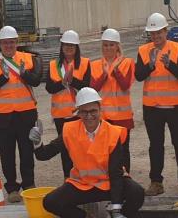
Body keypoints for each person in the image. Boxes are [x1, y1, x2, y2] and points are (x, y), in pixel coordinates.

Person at [30, 88, 145, 218]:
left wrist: (117, 210)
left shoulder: (113, 133)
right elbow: (44, 155)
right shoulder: (69, 130)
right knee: (50, 202)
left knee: (137, 193)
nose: (89, 116)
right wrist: (37, 143)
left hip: (109, 184)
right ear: (78, 112)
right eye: (84, 112)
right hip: (82, 184)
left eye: (93, 111)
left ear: (100, 110)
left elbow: (115, 173)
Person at [135, 12, 178, 196]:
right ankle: (156, 182)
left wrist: (169, 65)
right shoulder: (144, 51)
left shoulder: (177, 48)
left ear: (166, 31)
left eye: (159, 32)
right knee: (156, 145)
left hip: (175, 106)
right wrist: (150, 65)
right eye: (152, 33)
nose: (156, 36)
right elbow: (138, 76)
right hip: (152, 108)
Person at [0, 26, 42, 203]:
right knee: (7, 154)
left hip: (25, 115)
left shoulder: (28, 59)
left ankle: (29, 184)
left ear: (17, 43)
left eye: (11, 42)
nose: (8, 45)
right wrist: (3, 77)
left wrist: (24, 74)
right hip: (3, 118)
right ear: (0, 44)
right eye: (5, 42)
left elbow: (37, 81)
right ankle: (12, 188)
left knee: (26, 153)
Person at [45, 30, 92, 178]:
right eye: (66, 45)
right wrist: (63, 82)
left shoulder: (84, 63)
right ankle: (68, 177)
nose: (69, 48)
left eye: (72, 45)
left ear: (77, 47)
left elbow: (87, 86)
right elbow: (49, 88)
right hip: (61, 116)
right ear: (62, 46)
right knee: (64, 148)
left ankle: (83, 175)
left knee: (81, 147)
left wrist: (72, 81)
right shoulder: (53, 65)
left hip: (79, 114)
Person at [90, 28, 135, 171]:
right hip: (103, 117)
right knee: (104, 151)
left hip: (122, 117)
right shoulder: (95, 65)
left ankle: (125, 177)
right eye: (105, 45)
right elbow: (93, 88)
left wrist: (115, 70)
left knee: (122, 151)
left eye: (111, 45)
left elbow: (125, 85)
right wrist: (104, 76)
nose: (108, 48)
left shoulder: (127, 62)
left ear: (117, 46)